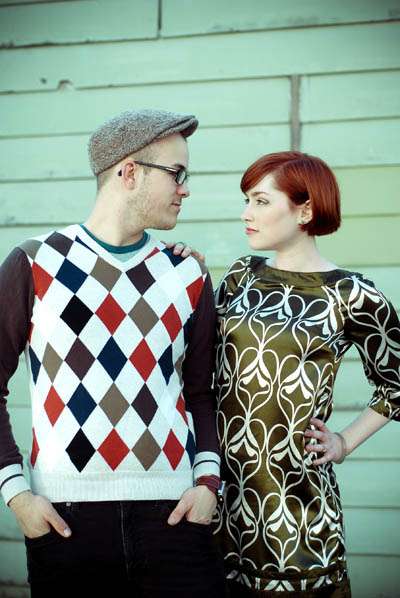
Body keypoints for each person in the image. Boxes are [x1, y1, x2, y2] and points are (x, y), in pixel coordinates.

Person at [0, 109, 226, 597]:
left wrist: (208, 485)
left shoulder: (186, 273)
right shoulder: (35, 262)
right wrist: (16, 495)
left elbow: (202, 394)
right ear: (129, 172)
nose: (185, 189)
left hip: (175, 518)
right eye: (177, 173)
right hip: (65, 524)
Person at [172, 150, 400, 596]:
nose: (246, 214)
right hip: (217, 498)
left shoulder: (352, 294)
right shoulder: (241, 275)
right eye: (247, 201)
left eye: (260, 201)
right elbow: (198, 362)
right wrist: (183, 274)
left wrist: (344, 442)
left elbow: (396, 384)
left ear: (306, 210)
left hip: (295, 512)